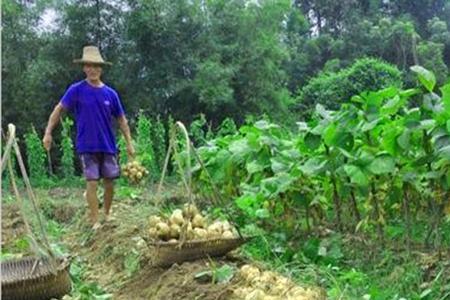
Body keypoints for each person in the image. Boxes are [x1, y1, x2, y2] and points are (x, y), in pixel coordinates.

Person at [43, 45, 135, 230]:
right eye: (89, 66)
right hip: (87, 145)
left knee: (110, 183)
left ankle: (107, 214)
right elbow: (59, 110)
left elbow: (122, 120)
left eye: (96, 66)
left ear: (101, 69)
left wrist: (129, 143)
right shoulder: (76, 90)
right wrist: (48, 132)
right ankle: (94, 220)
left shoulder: (111, 94)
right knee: (92, 182)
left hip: (107, 145)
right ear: (84, 68)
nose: (93, 69)